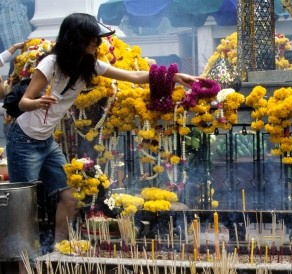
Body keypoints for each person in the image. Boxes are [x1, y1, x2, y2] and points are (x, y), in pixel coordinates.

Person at [6, 13, 201, 273]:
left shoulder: (89, 64)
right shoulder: (50, 64)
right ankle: (24, 265)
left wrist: (175, 76)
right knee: (25, 207)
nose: (98, 42)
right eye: (93, 38)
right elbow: (22, 103)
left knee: (70, 197)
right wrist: (39, 102)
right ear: (78, 39)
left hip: (46, 142)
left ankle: (56, 251)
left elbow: (132, 77)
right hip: (24, 141)